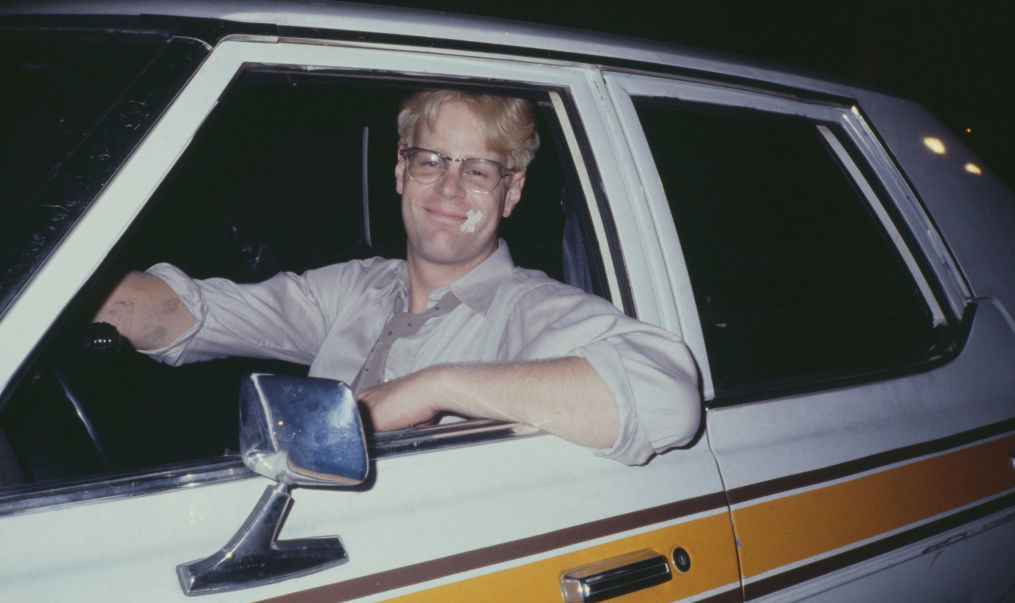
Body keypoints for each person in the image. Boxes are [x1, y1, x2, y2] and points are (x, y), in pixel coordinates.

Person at [94, 89, 701, 465]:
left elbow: (669, 396)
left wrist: (432, 387)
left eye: (479, 171)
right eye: (430, 160)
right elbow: (191, 314)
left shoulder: (530, 309)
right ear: (400, 172)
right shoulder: (357, 288)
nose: (448, 187)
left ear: (512, 192)